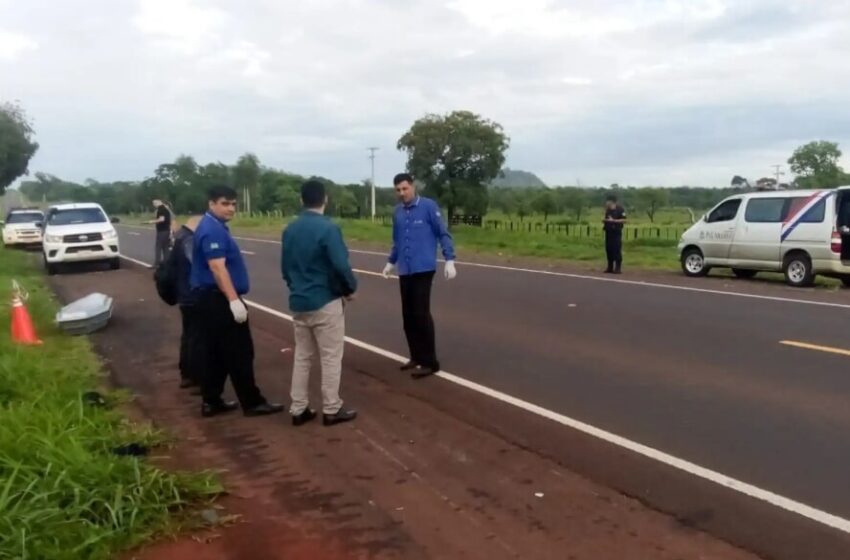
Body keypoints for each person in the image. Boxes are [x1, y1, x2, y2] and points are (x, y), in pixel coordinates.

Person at [190, 185, 284, 418]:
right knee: (240, 352)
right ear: (211, 204)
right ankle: (252, 402)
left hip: (209, 299)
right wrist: (234, 301)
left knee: (216, 352)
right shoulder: (213, 230)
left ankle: (211, 400)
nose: (231, 208)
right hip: (218, 299)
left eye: (233, 204)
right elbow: (217, 267)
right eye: (225, 203)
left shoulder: (215, 226)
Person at [281, 180, 359, 427]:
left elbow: (285, 268)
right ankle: (331, 408)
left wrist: (295, 287)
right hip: (325, 300)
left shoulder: (290, 229)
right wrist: (350, 288)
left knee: (303, 356)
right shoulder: (328, 228)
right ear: (325, 199)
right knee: (330, 357)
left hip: (299, 300)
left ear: (301, 200)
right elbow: (341, 264)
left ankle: (298, 408)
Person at [381, 173, 456, 379]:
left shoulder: (429, 207)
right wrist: (390, 262)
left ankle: (431, 362)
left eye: (404, 188)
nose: (401, 193)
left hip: (423, 268)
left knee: (421, 314)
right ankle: (416, 356)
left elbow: (443, 233)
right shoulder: (397, 212)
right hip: (405, 269)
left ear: (413, 186)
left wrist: (449, 258)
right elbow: (396, 241)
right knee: (408, 316)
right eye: (398, 190)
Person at [172, 215, 203, 392]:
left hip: (183, 294)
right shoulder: (189, 239)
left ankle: (187, 375)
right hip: (193, 294)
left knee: (189, 336)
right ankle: (199, 377)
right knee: (199, 338)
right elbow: (196, 264)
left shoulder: (179, 237)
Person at [603, 195, 627, 274]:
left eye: (608, 201)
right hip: (608, 232)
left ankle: (618, 268)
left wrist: (613, 221)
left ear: (612, 201)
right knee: (609, 249)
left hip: (616, 232)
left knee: (616, 249)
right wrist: (605, 221)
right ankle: (610, 267)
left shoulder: (620, 209)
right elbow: (607, 219)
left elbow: (624, 220)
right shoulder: (608, 210)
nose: (606, 202)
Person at [147, 199, 172, 266]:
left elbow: (162, 219)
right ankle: (166, 262)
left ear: (157, 203)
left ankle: (156, 263)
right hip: (167, 230)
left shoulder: (161, 210)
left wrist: (152, 222)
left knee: (158, 247)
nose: (154, 205)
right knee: (165, 247)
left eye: (154, 203)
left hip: (162, 231)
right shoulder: (165, 209)